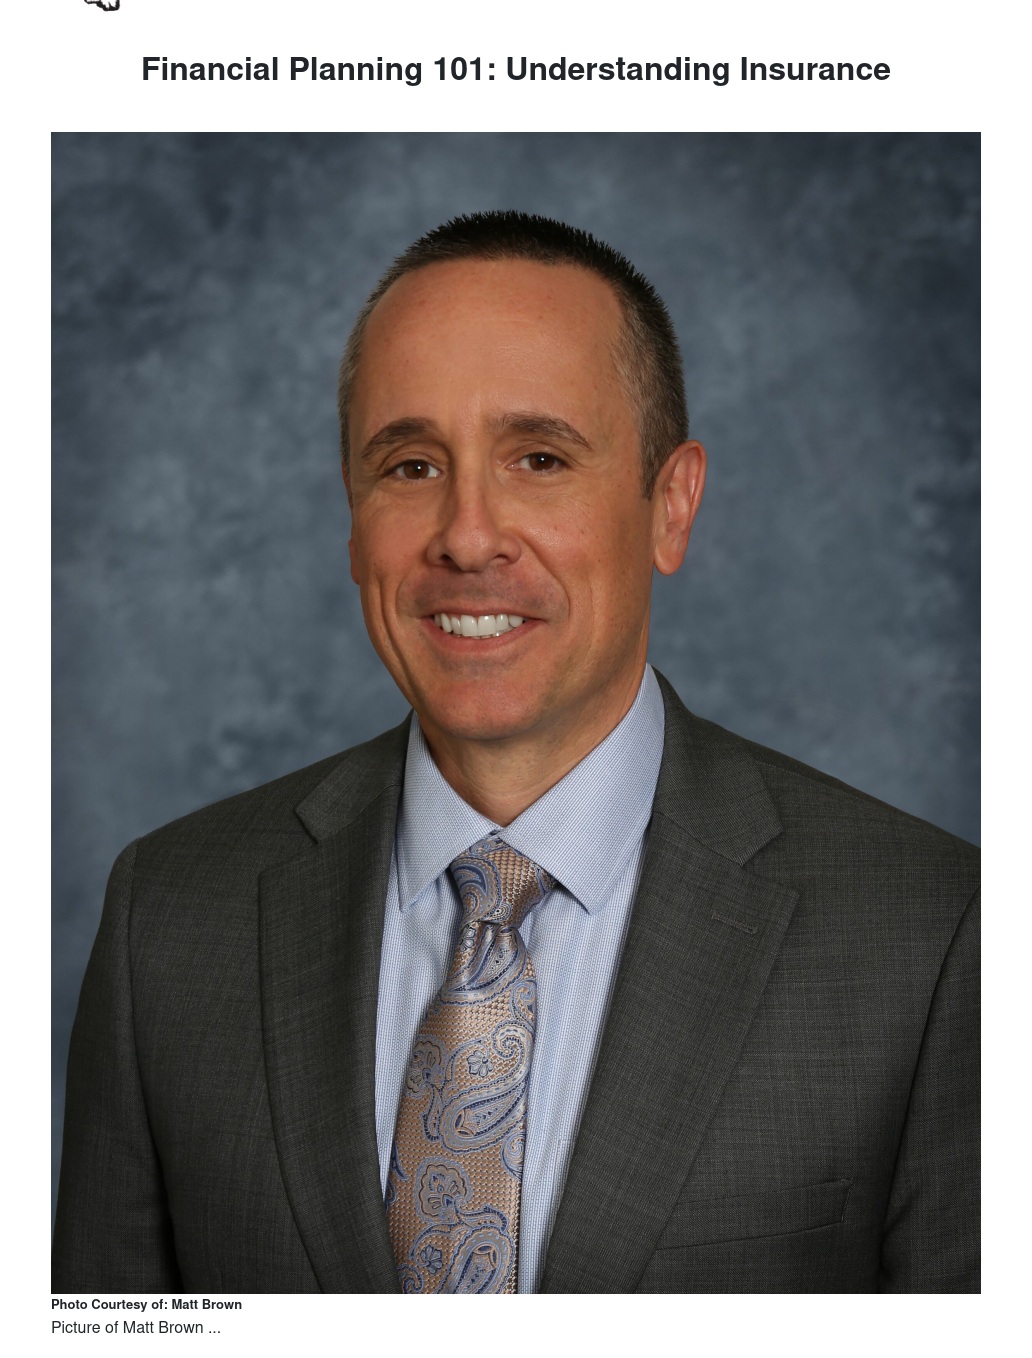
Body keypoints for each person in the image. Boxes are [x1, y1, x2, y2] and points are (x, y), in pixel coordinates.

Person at [52, 211, 979, 1294]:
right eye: (410, 465)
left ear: (671, 505)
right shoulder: (169, 921)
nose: (467, 534)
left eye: (540, 458)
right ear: (352, 515)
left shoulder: (931, 934)